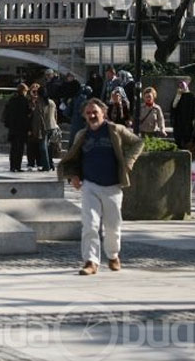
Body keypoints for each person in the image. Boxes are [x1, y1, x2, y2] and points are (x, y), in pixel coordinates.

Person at [58, 98, 144, 275]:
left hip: (113, 185)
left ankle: (113, 256)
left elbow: (138, 143)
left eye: (95, 112)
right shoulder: (81, 135)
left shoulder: (115, 130)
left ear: (103, 113)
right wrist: (73, 176)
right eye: (88, 113)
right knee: (90, 224)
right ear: (84, 115)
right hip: (90, 185)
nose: (91, 115)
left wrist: (128, 163)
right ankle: (91, 262)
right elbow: (73, 159)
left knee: (112, 226)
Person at [3, 83, 31, 172]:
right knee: (20, 149)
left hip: (12, 128)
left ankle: (12, 166)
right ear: (23, 91)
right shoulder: (24, 101)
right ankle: (17, 166)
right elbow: (27, 115)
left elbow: (6, 113)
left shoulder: (12, 100)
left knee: (13, 148)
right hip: (21, 128)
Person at [30, 86, 57, 171]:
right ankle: (51, 164)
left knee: (43, 147)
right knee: (49, 146)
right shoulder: (52, 102)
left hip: (44, 127)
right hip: (52, 125)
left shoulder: (40, 103)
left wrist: (35, 129)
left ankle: (46, 166)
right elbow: (55, 114)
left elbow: (37, 117)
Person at [171, 80, 195, 149]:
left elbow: (194, 109)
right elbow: (173, 106)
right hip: (179, 121)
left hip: (188, 120)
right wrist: (178, 95)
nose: (181, 87)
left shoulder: (191, 96)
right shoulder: (178, 96)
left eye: (182, 85)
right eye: (180, 86)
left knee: (187, 139)